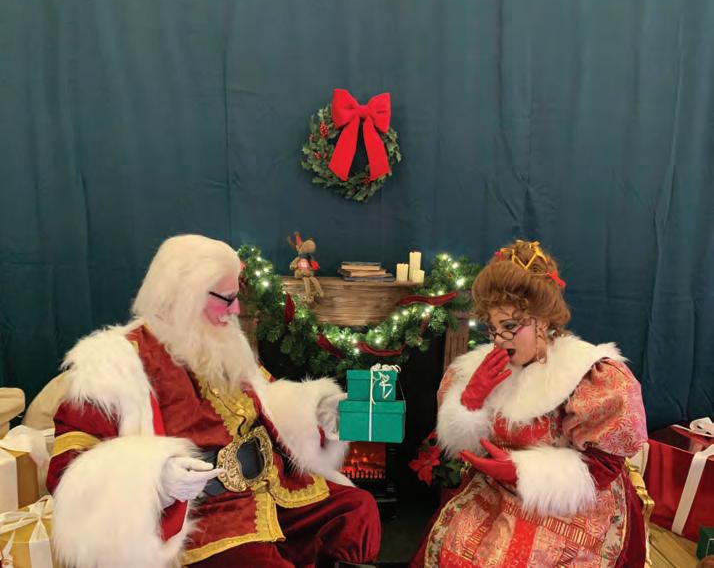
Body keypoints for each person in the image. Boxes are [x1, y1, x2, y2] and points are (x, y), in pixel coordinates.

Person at [47, 234, 381, 568]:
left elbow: (266, 399)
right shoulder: (114, 364)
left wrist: (315, 411)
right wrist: (157, 479)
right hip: (205, 516)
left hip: (272, 489)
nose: (235, 310)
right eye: (227, 299)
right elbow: (69, 469)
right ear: (184, 295)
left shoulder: (221, 341)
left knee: (356, 509)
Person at [413, 240, 648, 567]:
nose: (499, 340)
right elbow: (465, 445)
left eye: (510, 326)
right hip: (495, 492)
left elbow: (604, 467)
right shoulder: (480, 368)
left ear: (543, 321)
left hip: (569, 501)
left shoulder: (586, 374)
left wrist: (524, 472)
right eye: (492, 328)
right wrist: (471, 400)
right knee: (457, 544)